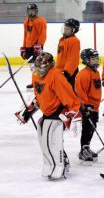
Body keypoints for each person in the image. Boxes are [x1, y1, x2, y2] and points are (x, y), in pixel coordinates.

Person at [18, 52, 82, 180]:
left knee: (52, 141)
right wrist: (29, 109)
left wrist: (73, 112)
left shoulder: (56, 76)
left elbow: (69, 96)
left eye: (41, 67)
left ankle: (60, 165)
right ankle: (49, 164)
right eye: (36, 67)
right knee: (44, 141)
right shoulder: (35, 76)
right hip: (46, 112)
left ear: (49, 66)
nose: (38, 70)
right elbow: (39, 95)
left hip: (58, 112)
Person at [75, 48, 101, 165]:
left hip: (95, 107)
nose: (96, 60)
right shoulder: (83, 74)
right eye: (93, 59)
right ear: (86, 60)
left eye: (96, 58)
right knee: (87, 128)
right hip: (87, 107)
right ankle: (83, 150)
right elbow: (80, 92)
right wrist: (85, 105)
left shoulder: (96, 72)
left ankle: (87, 147)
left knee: (92, 127)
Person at [20, 3, 47, 89]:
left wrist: (39, 46)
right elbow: (25, 35)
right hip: (28, 48)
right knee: (32, 67)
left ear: (36, 11)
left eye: (33, 11)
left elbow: (43, 34)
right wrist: (23, 47)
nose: (31, 13)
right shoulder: (26, 22)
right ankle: (34, 82)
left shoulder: (41, 21)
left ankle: (40, 82)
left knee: (38, 66)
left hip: (36, 47)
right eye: (29, 11)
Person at [55, 18, 80, 89]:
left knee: (70, 92)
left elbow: (73, 59)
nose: (65, 30)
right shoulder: (62, 39)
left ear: (74, 30)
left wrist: (67, 73)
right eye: (65, 28)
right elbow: (60, 56)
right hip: (60, 71)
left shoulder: (74, 41)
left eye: (68, 29)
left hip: (69, 72)